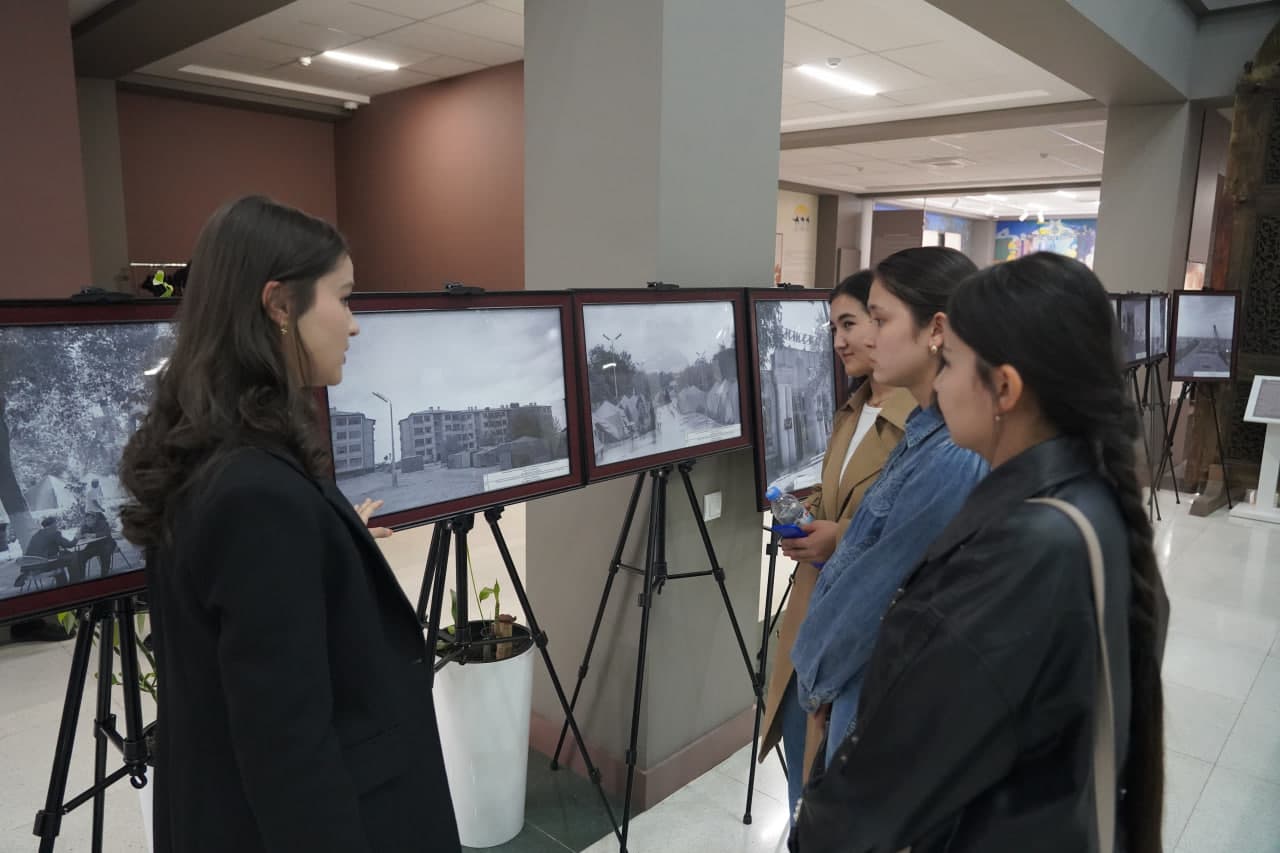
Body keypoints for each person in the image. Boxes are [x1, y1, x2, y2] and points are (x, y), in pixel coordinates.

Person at [791, 253, 1169, 853]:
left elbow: (902, 770)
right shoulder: (1083, 501)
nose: (939, 383)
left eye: (954, 363)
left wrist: (819, 814)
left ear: (1005, 388)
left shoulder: (1025, 550)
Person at [119, 196, 460, 853]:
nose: (355, 325)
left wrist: (332, 537)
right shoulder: (256, 496)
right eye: (345, 297)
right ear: (279, 304)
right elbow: (288, 750)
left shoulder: (222, 457)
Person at [789, 246, 989, 777]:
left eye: (877, 320)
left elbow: (877, 588)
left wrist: (816, 678)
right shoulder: (924, 431)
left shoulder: (952, 453)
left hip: (876, 698)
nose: (863, 339)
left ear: (936, 329)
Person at [757, 270, 916, 818]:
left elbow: (914, 533)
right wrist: (804, 523)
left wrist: (837, 538)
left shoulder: (928, 428)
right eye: (834, 328)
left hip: (863, 632)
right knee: (805, 782)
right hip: (813, 621)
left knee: (840, 797)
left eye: (852, 323)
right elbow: (840, 502)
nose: (840, 341)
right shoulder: (849, 411)